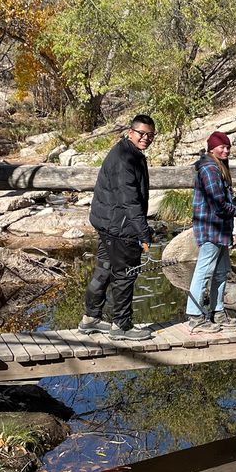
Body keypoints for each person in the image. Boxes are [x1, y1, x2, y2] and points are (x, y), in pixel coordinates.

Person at [78, 114, 157, 342]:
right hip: (121, 228)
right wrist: (143, 233)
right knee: (125, 275)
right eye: (141, 133)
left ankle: (91, 318)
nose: (146, 138)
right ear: (131, 132)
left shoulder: (126, 151)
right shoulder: (125, 159)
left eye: (150, 135)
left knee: (104, 270)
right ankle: (121, 325)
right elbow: (129, 201)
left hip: (108, 224)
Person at [187, 131, 236, 332]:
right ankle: (195, 317)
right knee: (204, 271)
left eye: (228, 147)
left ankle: (217, 312)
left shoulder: (218, 167)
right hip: (210, 227)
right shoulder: (209, 169)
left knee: (222, 271)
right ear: (211, 148)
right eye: (222, 147)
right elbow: (218, 204)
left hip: (221, 229)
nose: (226, 150)